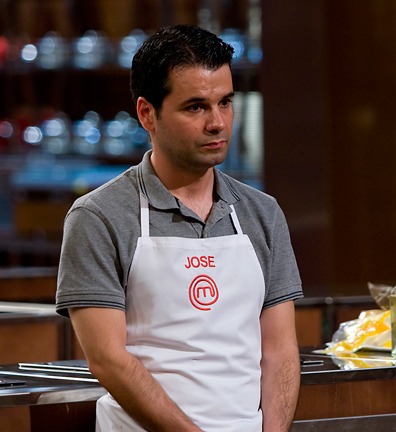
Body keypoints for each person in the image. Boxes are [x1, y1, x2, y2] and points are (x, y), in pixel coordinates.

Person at [55, 25, 303, 432]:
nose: (217, 123)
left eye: (225, 103)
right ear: (147, 113)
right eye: (195, 107)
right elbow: (107, 359)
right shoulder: (98, 216)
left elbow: (280, 350)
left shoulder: (262, 213)